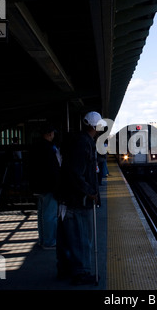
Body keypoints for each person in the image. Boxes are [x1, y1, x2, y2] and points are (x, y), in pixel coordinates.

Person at [57, 111, 105, 285]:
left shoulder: (80, 140)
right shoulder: (83, 143)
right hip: (78, 200)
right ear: (94, 126)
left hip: (70, 198)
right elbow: (76, 173)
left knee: (70, 236)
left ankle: (66, 269)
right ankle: (81, 272)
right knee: (82, 237)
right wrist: (90, 191)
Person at [29, 123, 61, 249]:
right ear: (49, 134)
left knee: (41, 214)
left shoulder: (35, 146)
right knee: (50, 215)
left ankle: (42, 240)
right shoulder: (49, 148)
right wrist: (57, 185)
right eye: (52, 133)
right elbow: (53, 169)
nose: (53, 135)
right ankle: (49, 241)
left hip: (38, 185)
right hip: (48, 186)